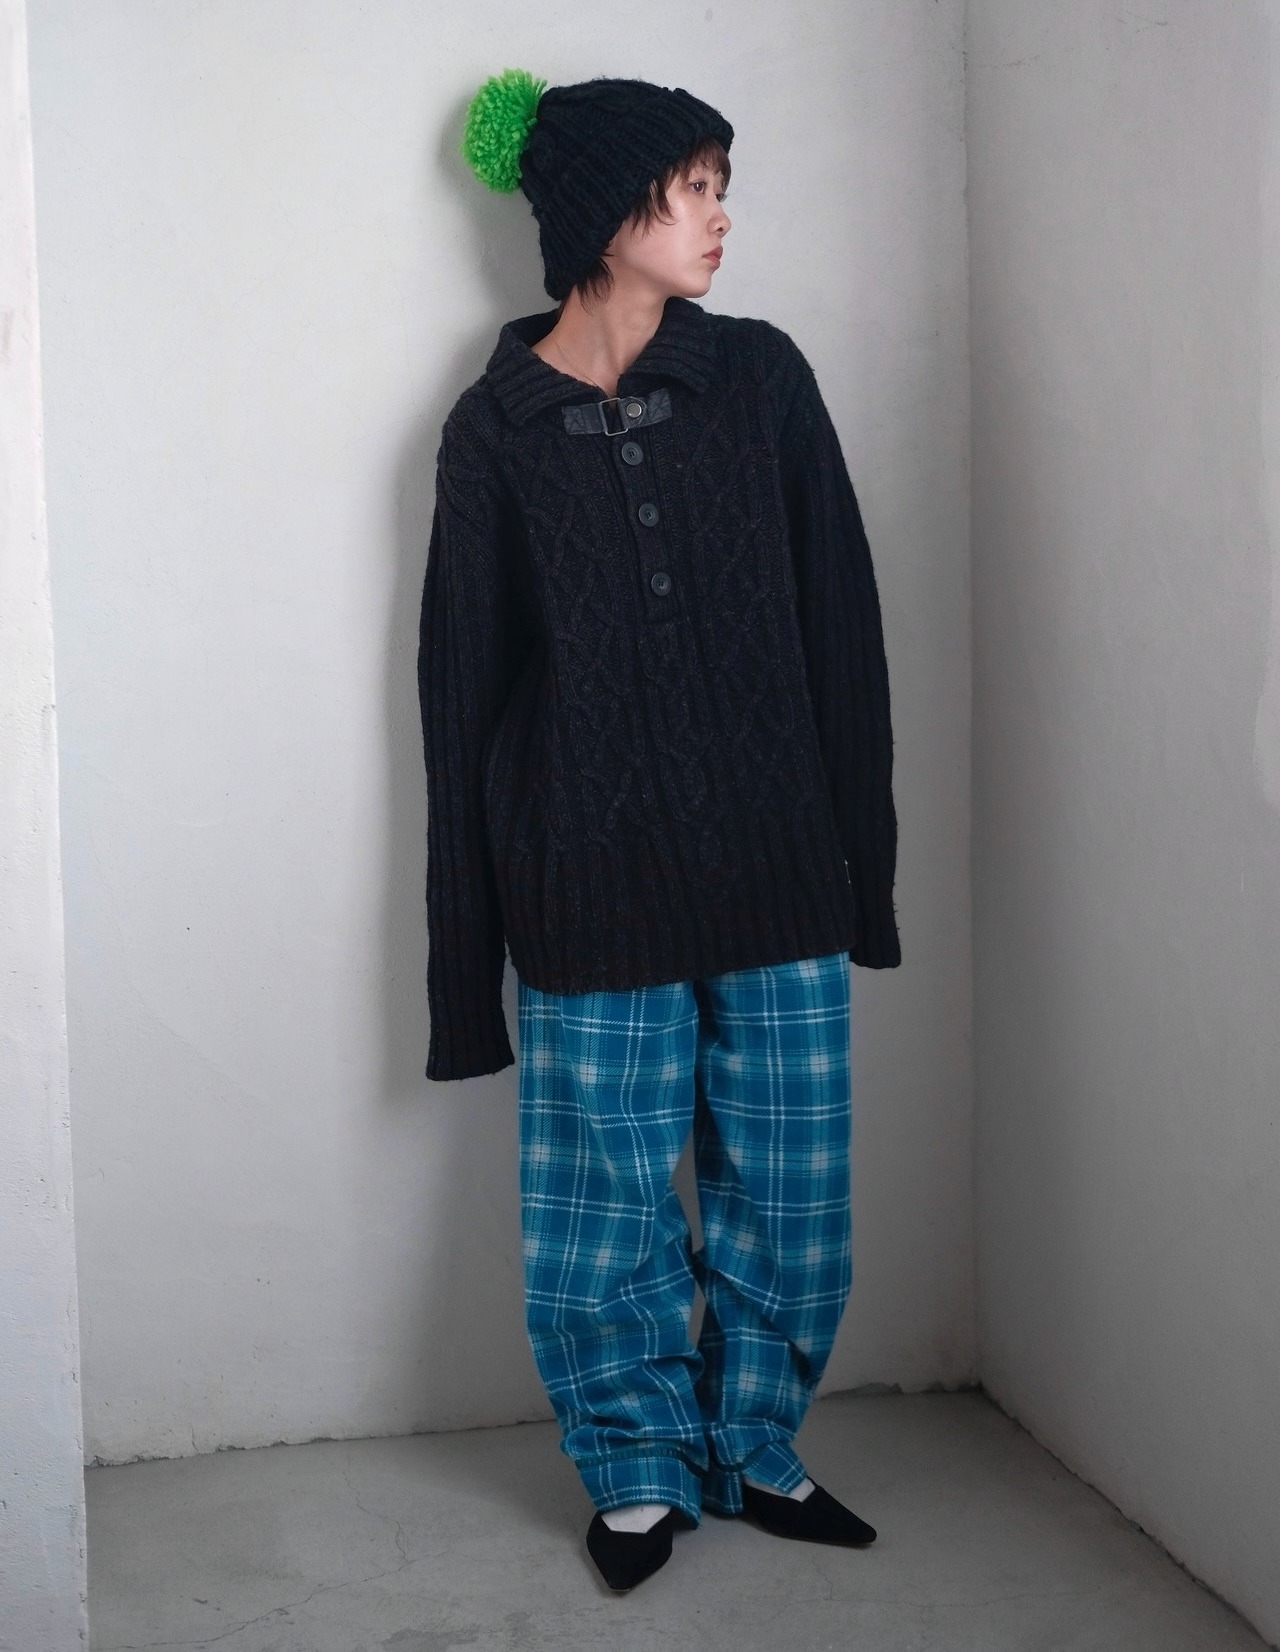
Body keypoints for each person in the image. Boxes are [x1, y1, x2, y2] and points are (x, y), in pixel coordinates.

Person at [418, 67, 900, 1593]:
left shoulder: (760, 378)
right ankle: (634, 1465)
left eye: (717, 186)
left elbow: (843, 622)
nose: (718, 216)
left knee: (792, 1189)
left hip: (778, 870)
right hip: (584, 883)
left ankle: (754, 1444)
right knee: (600, 1208)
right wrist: (463, 974)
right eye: (692, 187)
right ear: (602, 208)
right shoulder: (495, 430)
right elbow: (459, 701)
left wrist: (863, 872)